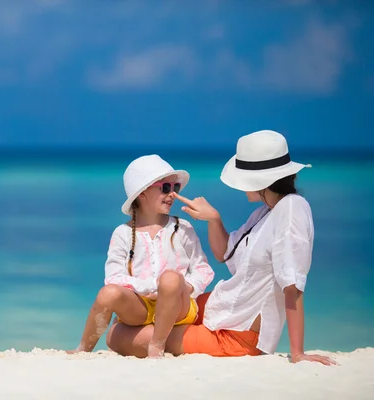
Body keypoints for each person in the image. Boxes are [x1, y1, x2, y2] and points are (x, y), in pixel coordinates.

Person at [105, 130, 337, 366]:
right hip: (226, 304)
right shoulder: (265, 212)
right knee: (151, 314)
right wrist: (213, 219)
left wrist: (297, 353)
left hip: (239, 333)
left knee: (118, 337)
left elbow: (292, 282)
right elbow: (226, 254)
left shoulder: (291, 210)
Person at [67, 154, 214, 358]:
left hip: (177, 306)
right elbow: (114, 277)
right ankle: (83, 349)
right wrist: (151, 287)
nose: (172, 194)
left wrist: (184, 286)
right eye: (165, 188)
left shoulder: (182, 228)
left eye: (175, 188)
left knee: (171, 278)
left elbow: (202, 269)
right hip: (141, 306)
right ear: (142, 193)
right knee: (107, 293)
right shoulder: (123, 233)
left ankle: (156, 346)